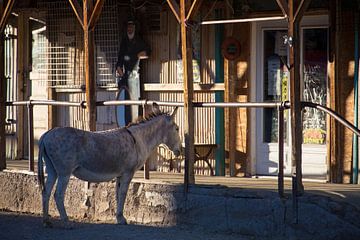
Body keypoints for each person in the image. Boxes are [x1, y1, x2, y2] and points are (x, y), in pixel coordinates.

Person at [116, 18, 150, 125]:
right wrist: (120, 70)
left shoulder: (139, 41)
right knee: (125, 102)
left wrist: (139, 55)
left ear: (135, 28)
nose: (129, 29)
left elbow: (148, 52)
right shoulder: (124, 42)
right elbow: (120, 59)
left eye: (131, 27)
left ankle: (135, 122)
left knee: (136, 100)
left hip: (136, 76)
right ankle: (126, 123)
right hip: (125, 77)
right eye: (128, 27)